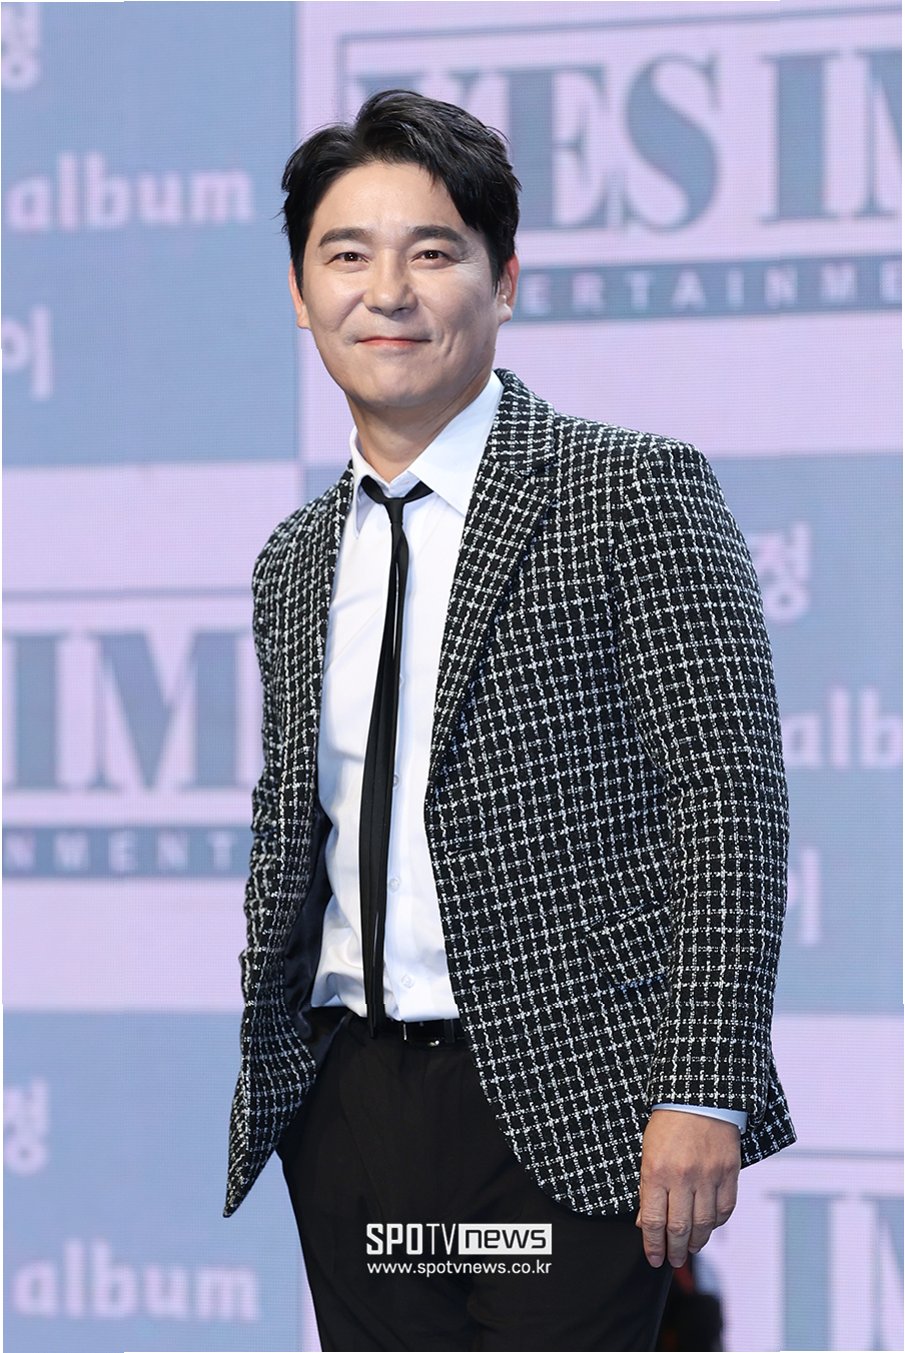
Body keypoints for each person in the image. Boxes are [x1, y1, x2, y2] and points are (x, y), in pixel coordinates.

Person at [224, 89, 796, 1351]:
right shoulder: (293, 559)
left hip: (568, 1100)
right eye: (346, 255)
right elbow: (297, 829)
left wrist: (702, 1086)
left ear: (504, 280)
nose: (387, 292)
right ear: (300, 292)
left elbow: (728, 803)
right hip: (349, 1108)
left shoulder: (627, 491)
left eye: (431, 253)